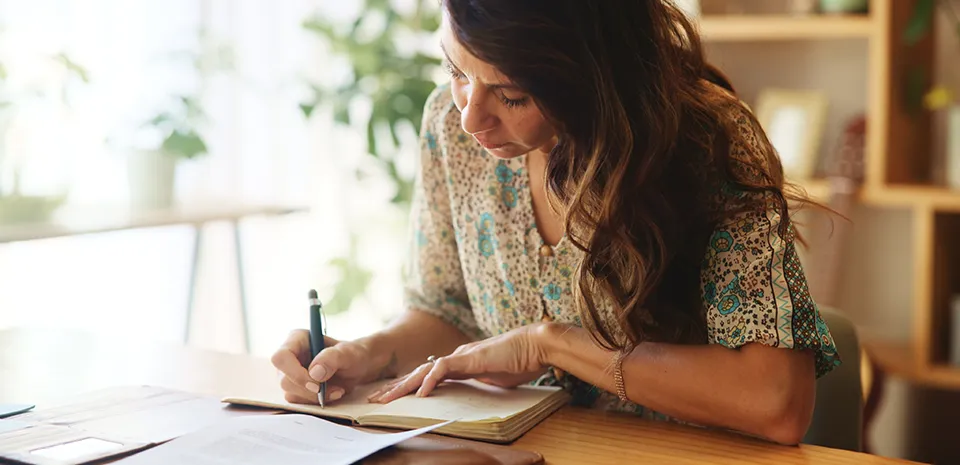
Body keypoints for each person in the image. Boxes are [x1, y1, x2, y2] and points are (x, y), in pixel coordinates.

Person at [271, 0, 841, 445]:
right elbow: (446, 312)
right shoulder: (448, 125)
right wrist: (368, 354)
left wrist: (553, 345)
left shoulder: (709, 141)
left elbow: (776, 402)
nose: (470, 117)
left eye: (512, 95)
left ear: (595, 75)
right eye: (456, 69)